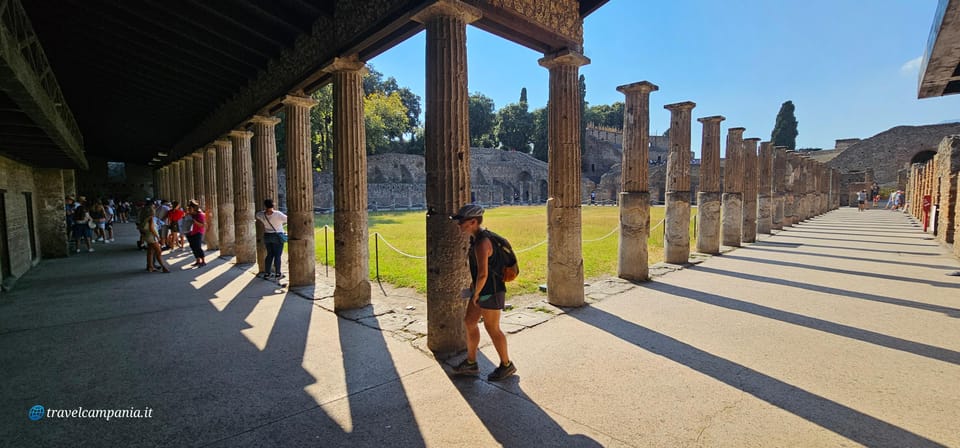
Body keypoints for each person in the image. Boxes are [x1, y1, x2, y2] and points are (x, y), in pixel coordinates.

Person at [450, 204, 516, 381]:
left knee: (492, 328)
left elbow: (483, 273)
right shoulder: (478, 238)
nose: (459, 225)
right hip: (483, 290)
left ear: (473, 222)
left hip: (491, 291)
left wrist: (476, 294)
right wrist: (474, 291)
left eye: (461, 222)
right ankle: (471, 363)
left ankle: (506, 365)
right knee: (470, 322)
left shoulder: (482, 243)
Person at [255, 199, 287, 279]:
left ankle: (267, 273)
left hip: (267, 236)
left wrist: (265, 211)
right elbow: (287, 219)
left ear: (265, 206)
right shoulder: (278, 214)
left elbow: (257, 215)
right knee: (277, 255)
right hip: (277, 236)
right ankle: (278, 273)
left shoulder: (261, 214)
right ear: (273, 205)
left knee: (269, 255)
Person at [139, 205, 169, 273]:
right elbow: (152, 229)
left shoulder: (144, 218)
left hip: (147, 236)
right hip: (152, 237)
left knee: (150, 252)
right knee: (158, 252)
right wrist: (158, 238)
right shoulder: (151, 218)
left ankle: (150, 267)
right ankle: (163, 267)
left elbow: (140, 228)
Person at [185, 200, 206, 267]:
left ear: (194, 209)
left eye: (190, 209)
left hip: (198, 232)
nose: (189, 210)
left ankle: (203, 261)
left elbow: (202, 225)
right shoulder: (189, 215)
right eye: (188, 208)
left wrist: (194, 221)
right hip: (189, 233)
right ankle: (197, 260)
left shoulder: (200, 215)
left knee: (198, 247)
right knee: (193, 247)